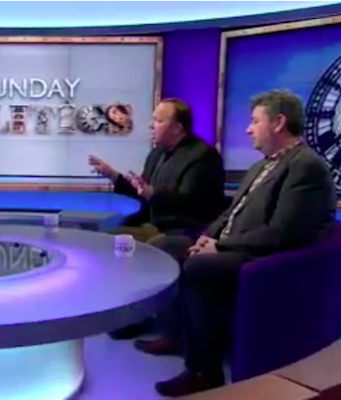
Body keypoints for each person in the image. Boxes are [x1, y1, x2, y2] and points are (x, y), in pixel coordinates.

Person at [154, 89, 337, 397]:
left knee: (199, 268)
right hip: (237, 246)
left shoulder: (306, 166)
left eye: (255, 121)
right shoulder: (261, 166)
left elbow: (281, 233)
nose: (248, 129)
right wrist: (207, 237)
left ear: (279, 123)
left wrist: (220, 248)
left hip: (267, 259)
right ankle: (176, 335)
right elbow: (230, 213)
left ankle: (204, 372)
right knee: (167, 247)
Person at [89, 98, 226, 340]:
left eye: (158, 120)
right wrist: (114, 176)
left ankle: (169, 332)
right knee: (109, 242)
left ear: (178, 128)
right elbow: (142, 193)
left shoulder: (203, 157)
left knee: (156, 248)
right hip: (154, 224)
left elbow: (193, 201)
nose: (151, 125)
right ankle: (130, 317)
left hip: (188, 229)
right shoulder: (156, 154)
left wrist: (154, 194)